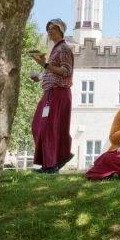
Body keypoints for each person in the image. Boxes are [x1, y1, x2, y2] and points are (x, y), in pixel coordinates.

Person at [30, 18, 74, 173]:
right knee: (38, 125)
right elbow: (55, 72)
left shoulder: (64, 49)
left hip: (58, 92)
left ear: (61, 30)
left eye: (53, 28)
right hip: (50, 92)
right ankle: (54, 160)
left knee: (48, 128)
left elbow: (66, 71)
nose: (49, 31)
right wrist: (41, 76)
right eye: (48, 28)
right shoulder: (55, 49)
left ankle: (51, 164)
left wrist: (44, 65)